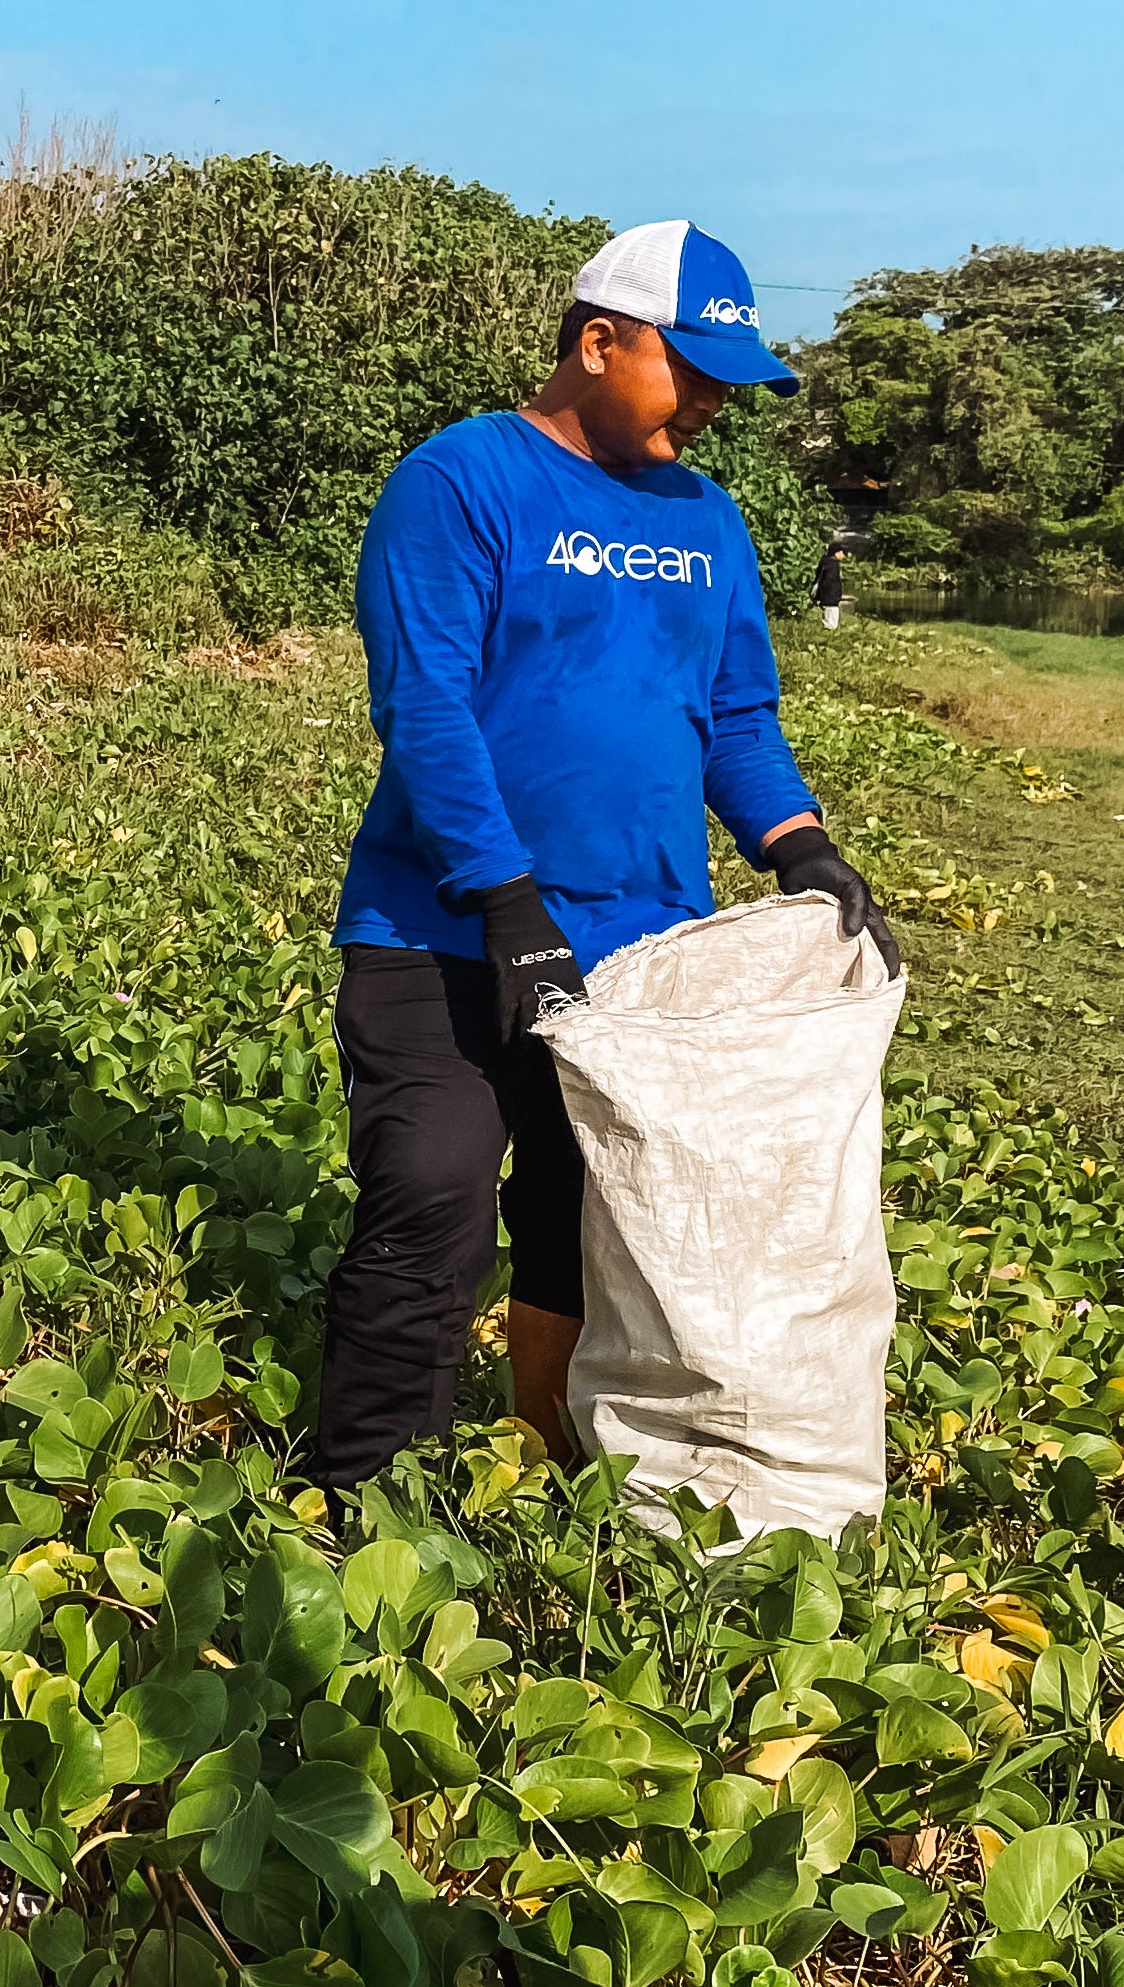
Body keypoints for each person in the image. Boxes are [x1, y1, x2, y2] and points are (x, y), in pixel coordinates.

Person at [317, 219, 900, 1492]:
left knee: (588, 1227)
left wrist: (801, 847)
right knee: (432, 1193)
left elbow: (735, 716)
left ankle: (547, 1455)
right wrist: (508, 901)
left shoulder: (711, 523)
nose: (708, 405)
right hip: (441, 933)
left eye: (724, 382)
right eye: (689, 371)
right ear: (599, 341)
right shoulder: (461, 481)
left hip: (640, 951)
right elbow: (427, 706)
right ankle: (358, 1499)